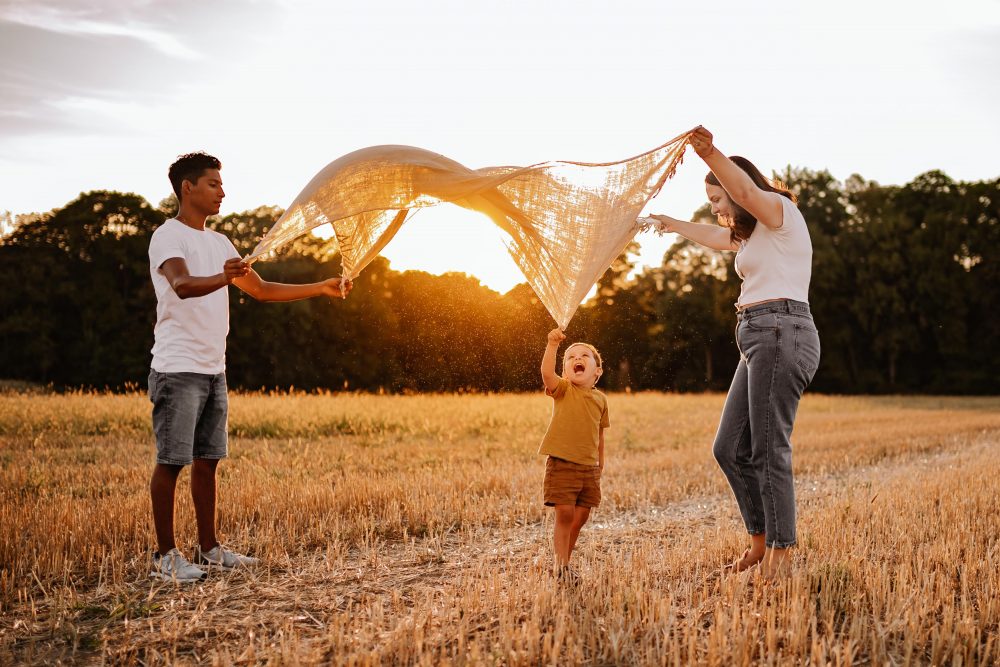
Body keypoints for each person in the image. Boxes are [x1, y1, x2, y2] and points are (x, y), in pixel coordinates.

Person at [147, 152, 352, 582]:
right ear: (188, 188)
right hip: (177, 368)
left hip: (213, 368)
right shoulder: (168, 237)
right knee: (171, 463)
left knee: (208, 462)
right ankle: (165, 557)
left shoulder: (221, 243)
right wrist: (224, 278)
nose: (223, 191)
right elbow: (182, 285)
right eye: (213, 184)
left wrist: (321, 287)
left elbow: (259, 290)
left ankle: (209, 549)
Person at [649, 127, 821, 581]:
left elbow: (744, 188)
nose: (717, 208)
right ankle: (760, 544)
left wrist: (709, 154)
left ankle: (781, 559)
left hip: (782, 330)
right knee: (729, 448)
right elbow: (713, 236)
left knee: (767, 449)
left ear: (736, 189)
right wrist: (668, 222)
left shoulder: (778, 212)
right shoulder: (751, 236)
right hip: (758, 335)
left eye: (719, 199)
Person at [538, 327, 609, 582]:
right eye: (571, 357)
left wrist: (600, 464)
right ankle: (561, 569)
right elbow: (547, 373)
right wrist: (553, 345)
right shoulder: (564, 389)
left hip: (588, 468)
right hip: (562, 464)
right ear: (566, 371)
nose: (577, 359)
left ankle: (562, 563)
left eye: (584, 356)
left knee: (581, 517)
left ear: (597, 371)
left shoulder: (601, 400)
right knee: (565, 514)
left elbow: (599, 434)